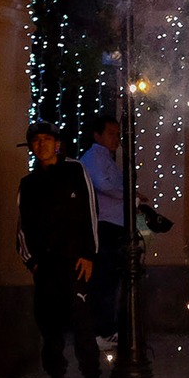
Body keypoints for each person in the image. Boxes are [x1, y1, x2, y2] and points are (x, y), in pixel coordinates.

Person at [16, 121, 102, 378]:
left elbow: (91, 213)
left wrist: (88, 254)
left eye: (46, 139)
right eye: (36, 141)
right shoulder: (28, 184)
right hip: (46, 265)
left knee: (81, 321)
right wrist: (33, 263)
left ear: (57, 144)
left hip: (75, 261)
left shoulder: (75, 170)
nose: (41, 145)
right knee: (49, 323)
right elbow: (22, 228)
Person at [77, 115, 126, 349]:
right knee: (105, 280)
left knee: (112, 280)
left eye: (117, 134)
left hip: (115, 225)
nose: (116, 138)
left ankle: (107, 328)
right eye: (111, 133)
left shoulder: (106, 157)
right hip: (105, 225)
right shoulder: (95, 156)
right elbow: (104, 185)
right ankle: (102, 331)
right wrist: (128, 195)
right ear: (97, 136)